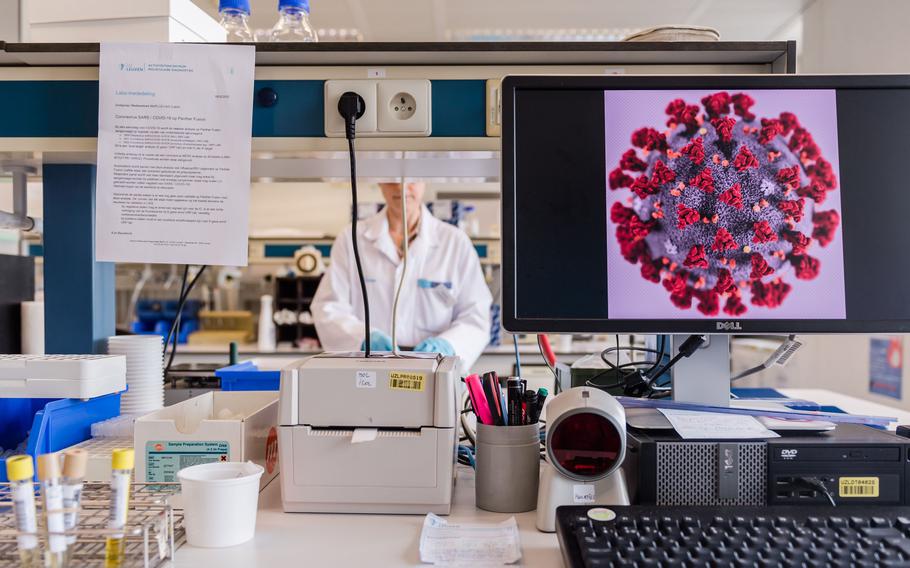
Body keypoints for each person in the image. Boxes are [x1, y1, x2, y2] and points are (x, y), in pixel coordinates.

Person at [311, 181, 492, 371]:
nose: (402, 187)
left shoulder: (455, 242)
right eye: (392, 179)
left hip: (435, 370)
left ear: (424, 181)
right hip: (369, 370)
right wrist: (364, 339)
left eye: (412, 180)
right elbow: (327, 307)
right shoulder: (351, 238)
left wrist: (447, 345)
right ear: (379, 182)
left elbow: (476, 315)